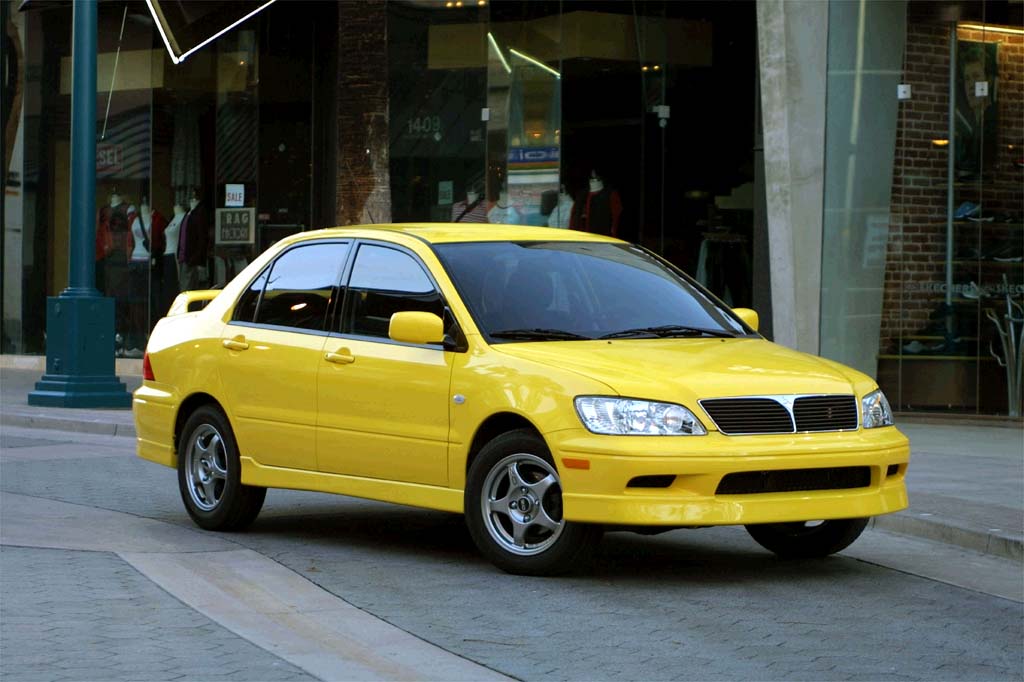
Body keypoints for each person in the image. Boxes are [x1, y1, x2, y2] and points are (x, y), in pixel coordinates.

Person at [570, 170, 622, 237]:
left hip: (601, 237)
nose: (593, 176)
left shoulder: (610, 194)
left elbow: (616, 218)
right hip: (581, 237)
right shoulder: (581, 195)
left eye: (596, 175)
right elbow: (574, 217)